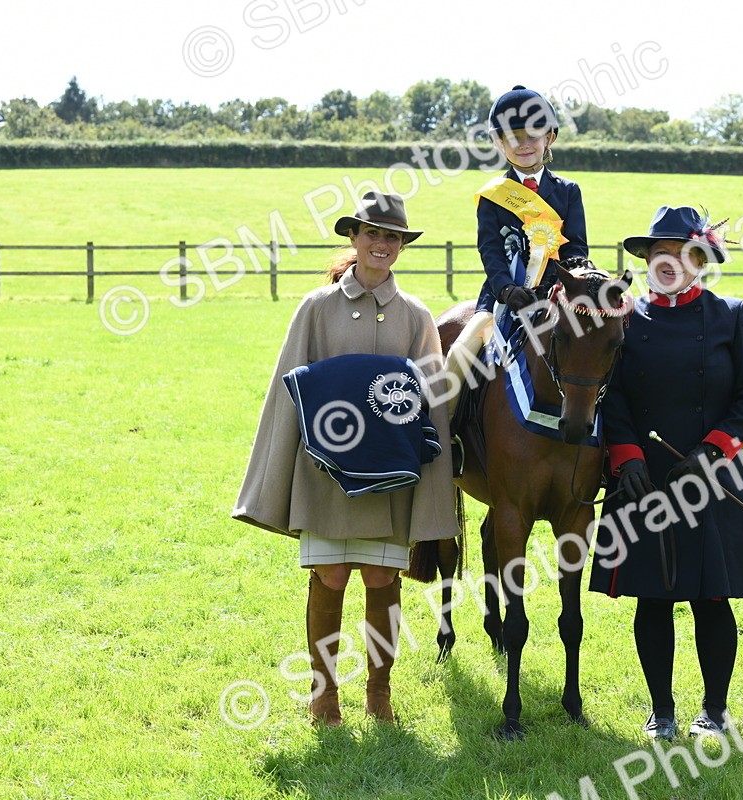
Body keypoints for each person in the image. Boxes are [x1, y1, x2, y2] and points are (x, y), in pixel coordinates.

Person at [232, 191, 458, 727]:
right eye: (372, 234)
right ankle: (323, 695)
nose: (382, 244)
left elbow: (434, 403)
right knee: (330, 575)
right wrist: (281, 473)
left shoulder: (417, 315)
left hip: (391, 477)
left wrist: (433, 479)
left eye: (392, 237)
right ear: (353, 239)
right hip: (326, 473)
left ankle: (379, 693)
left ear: (401, 246)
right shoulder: (315, 308)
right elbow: (289, 392)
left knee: (383, 581)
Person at [588, 205, 743, 740]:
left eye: (683, 253)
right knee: (654, 596)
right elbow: (611, 394)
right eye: (659, 253)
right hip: (643, 479)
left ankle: (714, 713)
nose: (669, 262)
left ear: (702, 260)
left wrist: (715, 449)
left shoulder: (733, 315)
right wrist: (625, 456)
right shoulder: (623, 318)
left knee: (710, 597)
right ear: (645, 259)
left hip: (711, 478)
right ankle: (661, 712)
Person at [475, 85, 588, 319]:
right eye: (514, 138)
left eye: (532, 135)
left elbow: (576, 248)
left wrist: (562, 283)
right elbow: (490, 250)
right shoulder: (491, 195)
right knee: (460, 353)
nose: (524, 144)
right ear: (499, 143)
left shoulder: (569, 191)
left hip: (556, 296)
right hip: (502, 296)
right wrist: (506, 289)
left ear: (549, 138)